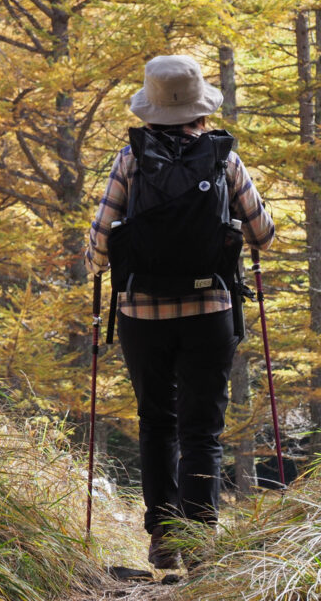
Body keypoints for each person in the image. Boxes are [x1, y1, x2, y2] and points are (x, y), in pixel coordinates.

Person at [85, 54, 275, 570]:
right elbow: (263, 234)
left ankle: (164, 537)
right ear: (200, 108)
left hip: (141, 314)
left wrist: (100, 261)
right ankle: (200, 544)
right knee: (201, 428)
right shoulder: (223, 159)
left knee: (157, 422)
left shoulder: (130, 158)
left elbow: (99, 246)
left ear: (151, 108)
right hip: (209, 307)